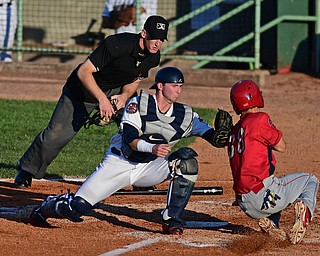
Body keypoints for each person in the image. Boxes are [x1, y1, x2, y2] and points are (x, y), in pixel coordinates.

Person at [28, 67, 232, 235]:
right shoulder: (138, 104)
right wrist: (152, 147)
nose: (178, 91)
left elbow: (212, 137)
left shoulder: (185, 115)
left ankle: (172, 220)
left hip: (149, 168)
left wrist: (222, 136)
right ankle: (47, 206)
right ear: (160, 86)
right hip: (119, 163)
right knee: (76, 208)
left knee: (186, 162)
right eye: (174, 86)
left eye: (180, 86)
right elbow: (130, 140)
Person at [14, 15, 169, 189]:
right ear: (143, 33)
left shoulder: (153, 57)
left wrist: (125, 96)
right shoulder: (116, 44)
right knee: (56, 133)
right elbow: (84, 72)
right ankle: (27, 170)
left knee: (139, 125)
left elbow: (135, 79)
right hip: (82, 90)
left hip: (115, 91)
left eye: (162, 39)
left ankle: (142, 178)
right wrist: (102, 100)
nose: (158, 43)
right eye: (154, 37)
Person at [228, 80, 319, 244]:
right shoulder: (260, 119)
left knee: (277, 183)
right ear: (254, 96)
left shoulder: (234, 131)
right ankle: (305, 211)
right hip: (263, 195)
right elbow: (281, 146)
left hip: (245, 202)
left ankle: (272, 224)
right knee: (310, 180)